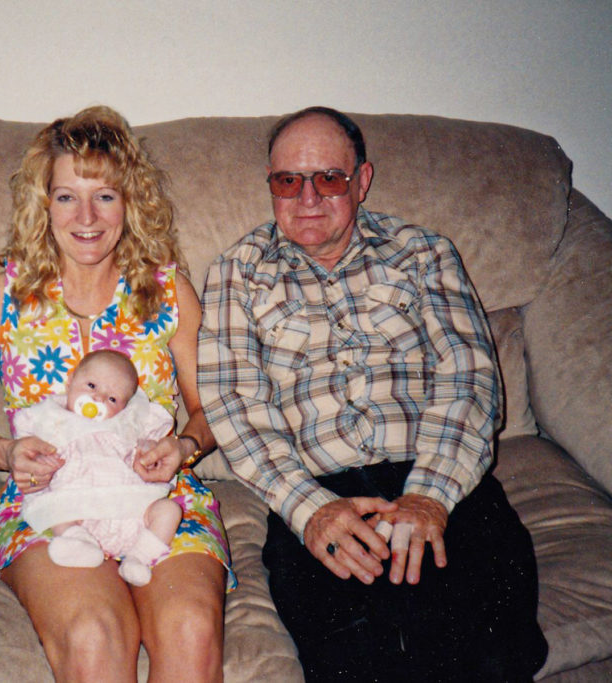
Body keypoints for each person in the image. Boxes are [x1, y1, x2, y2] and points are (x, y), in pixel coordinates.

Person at [197, 106, 548, 681]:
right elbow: (235, 403)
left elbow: (469, 372)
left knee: (489, 654)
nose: (307, 197)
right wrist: (310, 511)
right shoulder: (237, 272)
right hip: (320, 494)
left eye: (328, 179)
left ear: (362, 180)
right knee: (356, 663)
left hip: (439, 478)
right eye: (288, 181)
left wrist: (430, 496)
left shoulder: (423, 253)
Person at [0, 105, 233, 681]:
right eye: (66, 197)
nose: (86, 216)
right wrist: (7, 453)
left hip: (161, 500)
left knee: (191, 629)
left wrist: (183, 447)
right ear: (43, 205)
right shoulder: (0, 297)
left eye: (105, 196)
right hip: (51, 505)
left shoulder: (167, 291)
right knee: (94, 635)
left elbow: (212, 409)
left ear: (130, 202)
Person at [16, 349, 182, 586]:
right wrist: (42, 462)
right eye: (91, 385)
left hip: (129, 508)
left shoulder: (125, 425)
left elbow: (147, 449)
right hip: (76, 507)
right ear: (70, 381)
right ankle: (77, 541)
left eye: (112, 399)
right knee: (55, 508)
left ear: (125, 408)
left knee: (169, 511)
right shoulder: (51, 421)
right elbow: (28, 450)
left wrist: (146, 453)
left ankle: (138, 558)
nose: (98, 399)